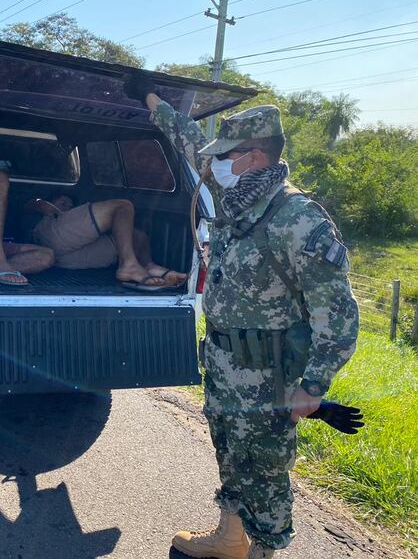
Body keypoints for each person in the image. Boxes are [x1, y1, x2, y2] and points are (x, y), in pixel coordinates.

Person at [124, 76, 359, 559]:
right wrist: (151, 100)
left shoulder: (298, 220)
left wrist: (312, 388)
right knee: (229, 455)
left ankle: (263, 552)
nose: (214, 164)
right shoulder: (238, 199)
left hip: (270, 377)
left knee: (267, 474)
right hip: (226, 365)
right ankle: (230, 538)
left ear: (254, 157)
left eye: (226, 155)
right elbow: (191, 141)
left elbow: (337, 318)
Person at [27, 195, 187, 290]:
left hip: (64, 260)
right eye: (63, 201)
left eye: (70, 203)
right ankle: (129, 266)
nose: (67, 205)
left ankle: (148, 265)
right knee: (123, 206)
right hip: (49, 238)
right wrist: (49, 206)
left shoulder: (76, 223)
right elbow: (34, 203)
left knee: (137, 237)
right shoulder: (46, 213)